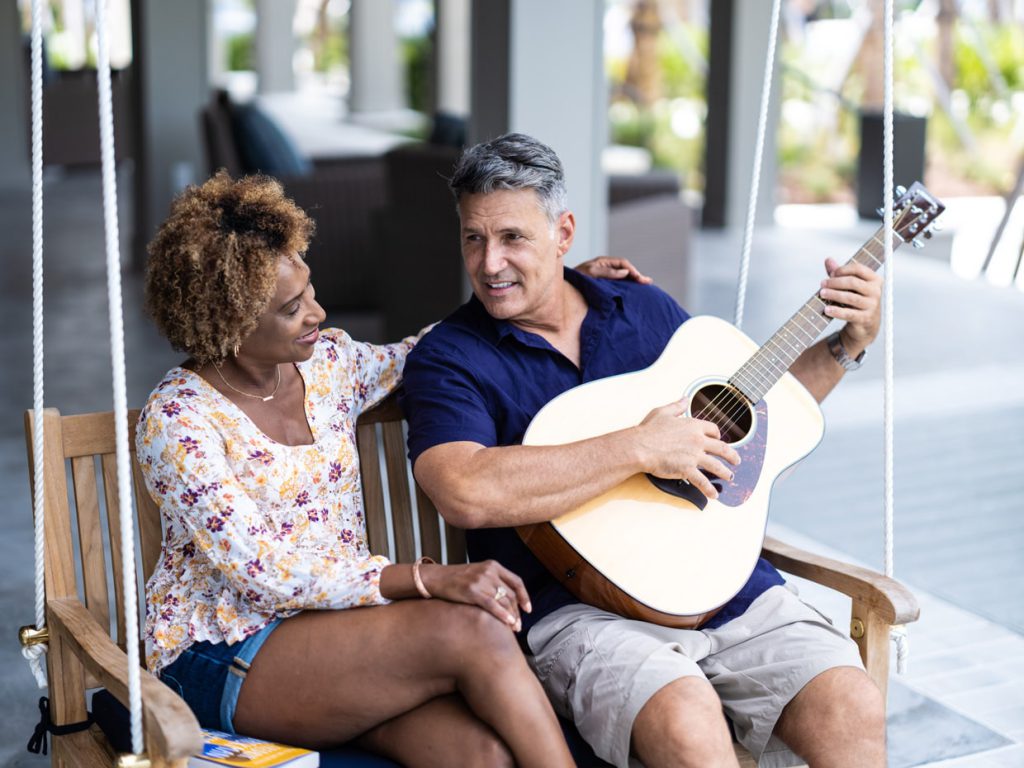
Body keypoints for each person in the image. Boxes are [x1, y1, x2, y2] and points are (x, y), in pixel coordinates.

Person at [400, 133, 887, 768]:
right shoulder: (450, 357)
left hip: (728, 588)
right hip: (580, 611)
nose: (490, 262)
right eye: (473, 238)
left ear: (563, 232)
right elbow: (463, 488)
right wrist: (638, 447)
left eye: (513, 237)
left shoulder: (643, 308)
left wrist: (845, 345)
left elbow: (755, 414)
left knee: (851, 701)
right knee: (686, 719)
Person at [137, 170, 640, 767]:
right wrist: (427, 579)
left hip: (341, 636)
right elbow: (262, 571)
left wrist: (561, 282)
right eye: (293, 308)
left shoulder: (328, 366)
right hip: (226, 649)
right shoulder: (178, 421)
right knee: (473, 631)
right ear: (230, 323)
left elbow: (430, 348)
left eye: (310, 290)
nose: (318, 313)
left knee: (482, 756)